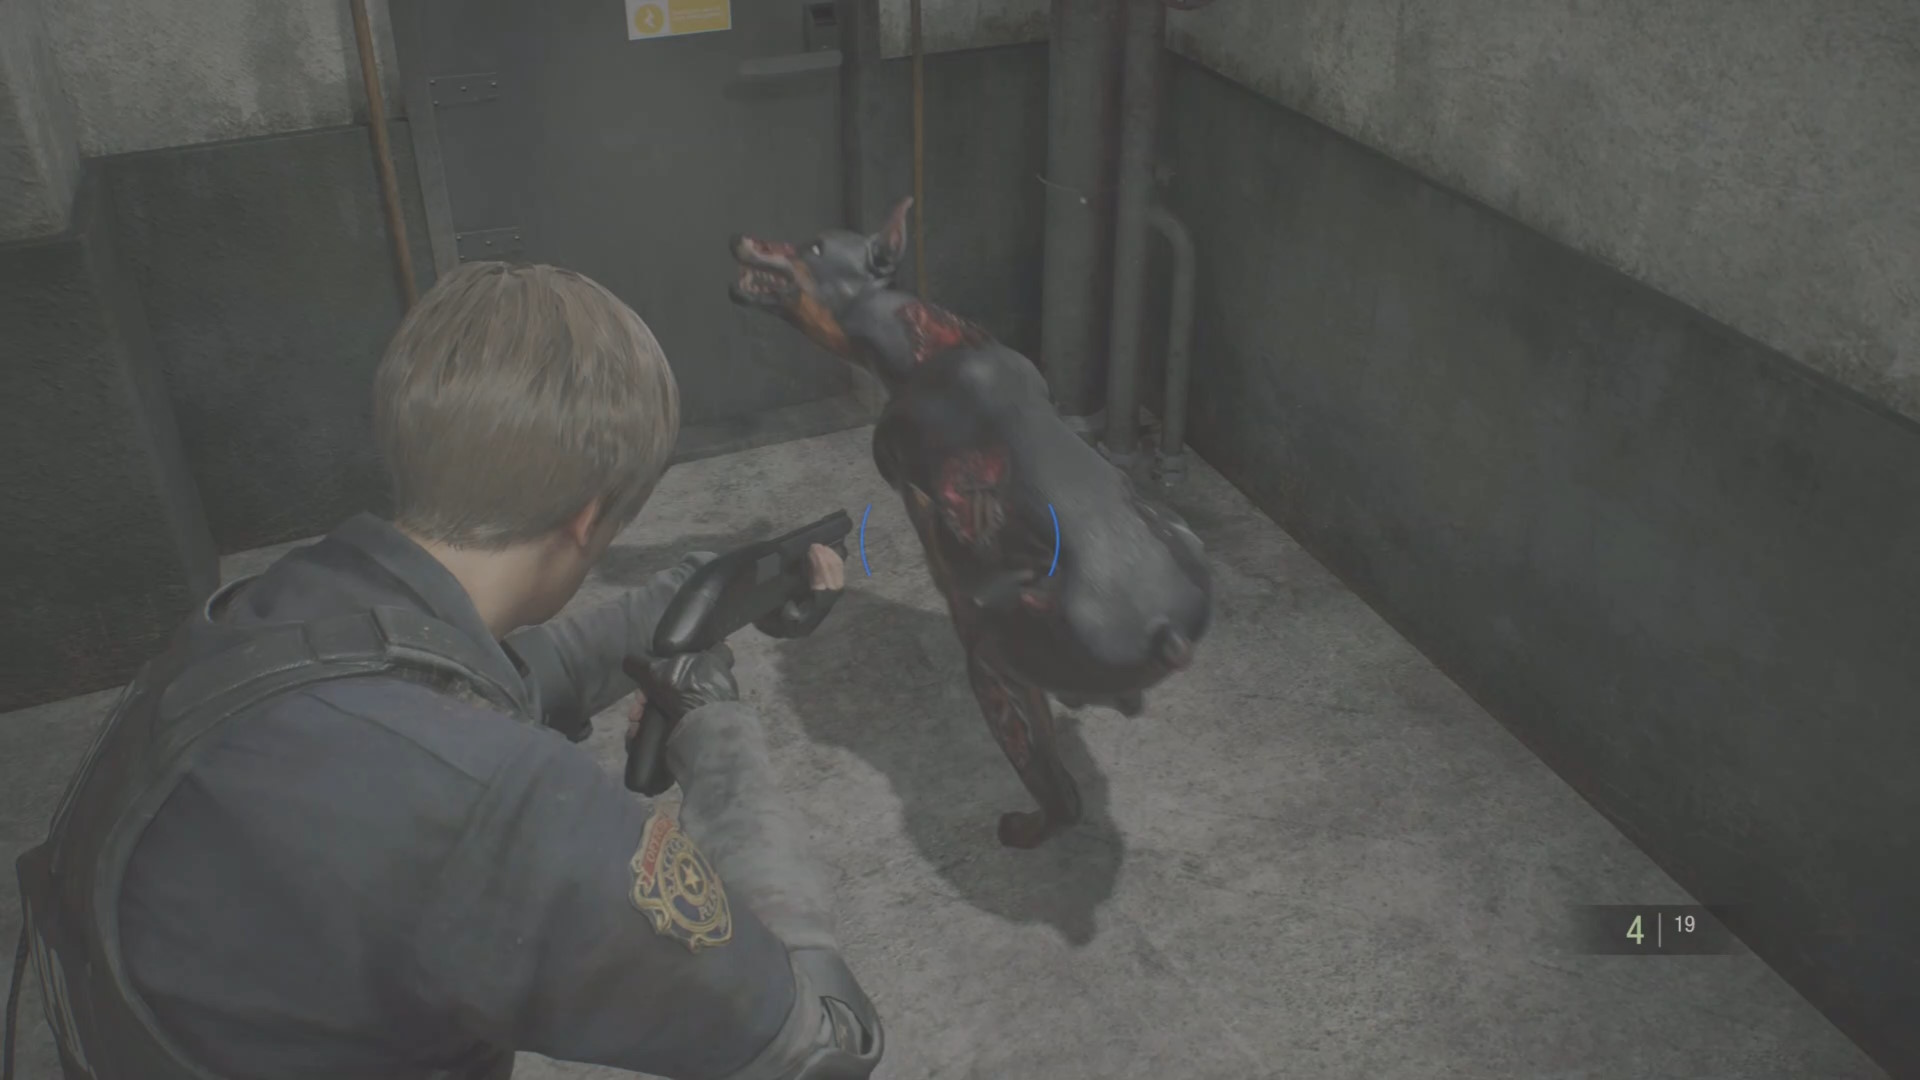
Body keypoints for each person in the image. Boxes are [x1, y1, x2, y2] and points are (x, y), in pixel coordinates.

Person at [8, 262, 884, 1080]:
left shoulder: (274, 612)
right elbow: (825, 1045)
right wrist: (716, 722)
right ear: (588, 520)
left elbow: (476, 686)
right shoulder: (510, 807)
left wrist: (699, 594)